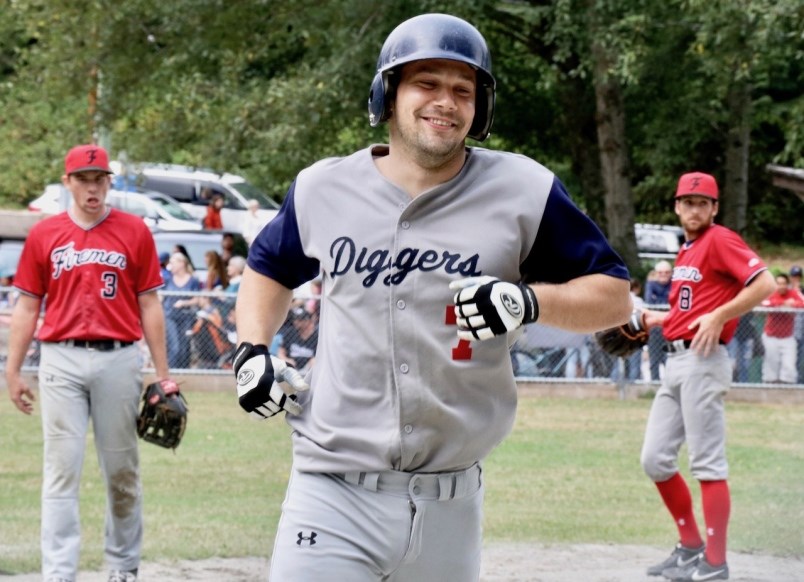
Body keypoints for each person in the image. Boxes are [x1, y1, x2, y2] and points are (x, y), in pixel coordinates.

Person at [232, 14, 632, 581]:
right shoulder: (325, 187)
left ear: (480, 108)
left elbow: (614, 296)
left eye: (463, 90)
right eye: (427, 83)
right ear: (388, 94)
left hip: (453, 502)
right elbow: (269, 267)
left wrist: (527, 302)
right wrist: (251, 350)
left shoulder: (523, 189)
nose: (445, 101)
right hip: (333, 489)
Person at [4, 144, 173, 582]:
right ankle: (59, 572)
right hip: (60, 359)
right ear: (68, 183)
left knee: (121, 470)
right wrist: (13, 369)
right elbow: (26, 307)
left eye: (100, 179)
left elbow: (150, 304)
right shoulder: (45, 234)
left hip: (118, 359)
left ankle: (122, 566)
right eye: (83, 178)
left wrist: (163, 373)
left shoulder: (134, 231)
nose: (92, 187)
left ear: (108, 183)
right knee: (61, 470)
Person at [639, 172, 775, 581]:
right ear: (677, 207)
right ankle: (690, 547)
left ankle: (715, 563)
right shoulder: (688, 249)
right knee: (655, 459)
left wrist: (720, 315)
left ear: (714, 209)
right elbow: (693, 308)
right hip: (677, 361)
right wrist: (656, 319)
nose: (694, 209)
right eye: (688, 202)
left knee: (707, 463)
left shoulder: (719, 239)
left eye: (703, 203)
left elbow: (764, 283)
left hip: (703, 360)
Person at [759, 272, 804, 384]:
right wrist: (783, 303)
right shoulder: (771, 293)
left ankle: (787, 390)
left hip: (787, 337)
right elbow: (764, 303)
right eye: (778, 283)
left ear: (787, 284)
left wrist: (792, 304)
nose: (781, 286)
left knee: (789, 365)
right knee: (771, 364)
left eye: (784, 283)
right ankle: (769, 389)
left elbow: (802, 303)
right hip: (771, 336)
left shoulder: (793, 293)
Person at [162, 252, 202, 369]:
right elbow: (161, 296)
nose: (170, 265)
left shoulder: (193, 280)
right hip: (170, 316)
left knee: (184, 347)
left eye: (173, 263)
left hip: (186, 316)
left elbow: (197, 299)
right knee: (175, 346)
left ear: (181, 263)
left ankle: (184, 372)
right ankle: (172, 373)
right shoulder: (168, 279)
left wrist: (184, 303)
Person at [644, 260, 672, 381]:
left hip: (670, 327)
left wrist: (659, 299)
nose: (663, 275)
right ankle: (654, 384)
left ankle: (671, 384)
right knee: (654, 358)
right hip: (655, 329)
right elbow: (649, 301)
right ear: (656, 273)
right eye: (660, 273)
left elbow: (673, 300)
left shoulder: (674, 284)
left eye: (667, 272)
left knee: (670, 358)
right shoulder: (651, 284)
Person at [277, 306, 319, 374]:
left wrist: (313, 362)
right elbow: (281, 351)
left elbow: (318, 358)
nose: (296, 322)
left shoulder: (316, 336)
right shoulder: (291, 332)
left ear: (307, 321)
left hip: (309, 369)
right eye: (295, 319)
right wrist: (286, 360)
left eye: (300, 320)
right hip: (292, 368)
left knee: (314, 363)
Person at [789, 264, 804, 383]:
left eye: (798, 277)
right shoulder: (785, 289)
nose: (796, 279)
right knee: (790, 358)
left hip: (801, 329)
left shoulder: (802, 291)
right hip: (788, 331)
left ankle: (798, 382)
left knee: (799, 358)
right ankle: (790, 381)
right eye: (794, 276)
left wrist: (798, 292)